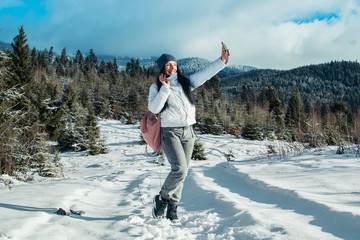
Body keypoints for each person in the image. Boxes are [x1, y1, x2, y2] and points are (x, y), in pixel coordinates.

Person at [148, 43, 230, 222]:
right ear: (162, 68)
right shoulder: (156, 88)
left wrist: (222, 61)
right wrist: (165, 89)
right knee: (179, 169)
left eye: (174, 64)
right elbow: (154, 108)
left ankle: (173, 208)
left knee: (183, 172)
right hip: (170, 133)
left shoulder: (186, 82)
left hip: (188, 132)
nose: (172, 67)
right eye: (168, 65)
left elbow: (204, 74)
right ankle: (161, 199)